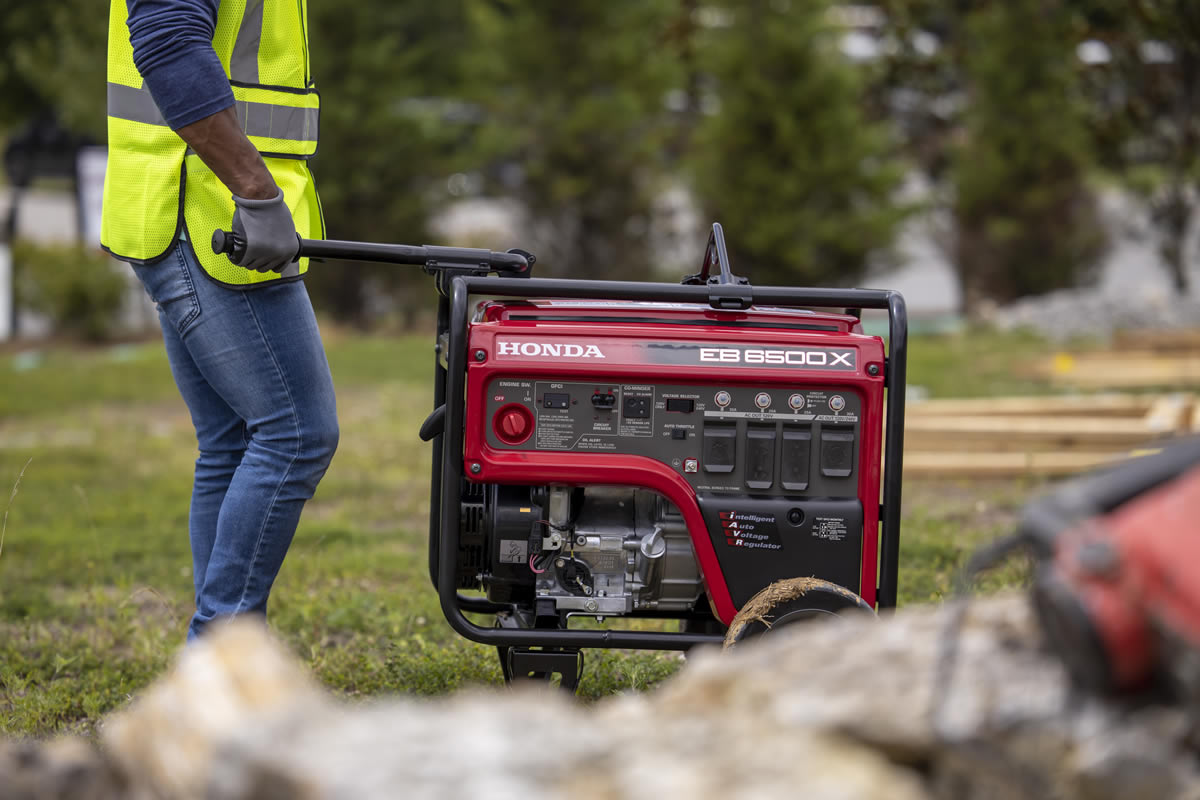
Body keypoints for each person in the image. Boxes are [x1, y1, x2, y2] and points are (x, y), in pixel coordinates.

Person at [101, 0, 338, 640]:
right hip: (211, 213)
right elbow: (167, 40)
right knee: (296, 434)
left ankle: (222, 663)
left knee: (232, 441)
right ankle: (219, 658)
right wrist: (255, 191)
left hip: (197, 208)